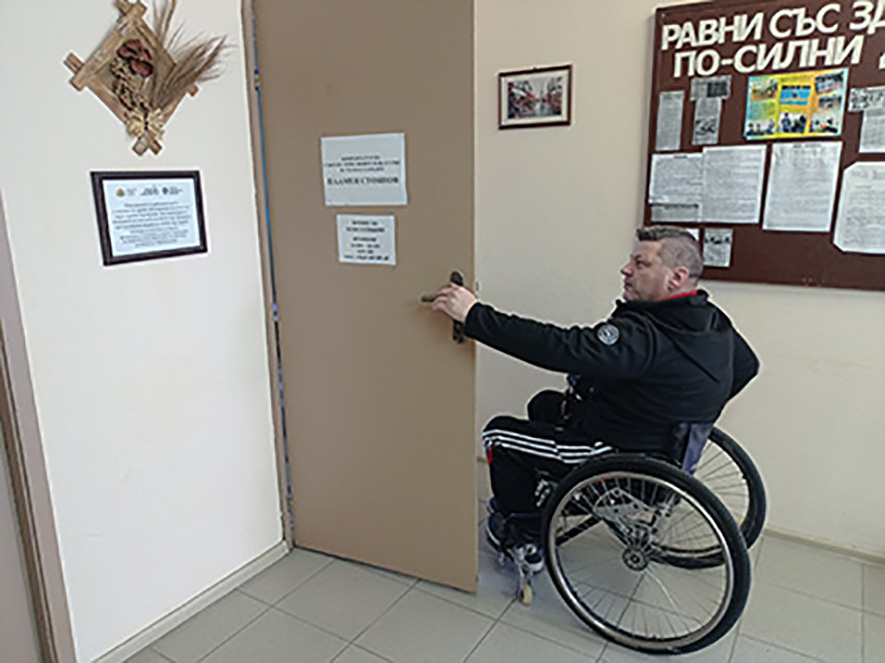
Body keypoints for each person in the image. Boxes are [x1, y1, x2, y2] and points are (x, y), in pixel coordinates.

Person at [431, 226, 759, 566]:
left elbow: (562, 347)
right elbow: (747, 366)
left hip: (618, 456)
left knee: (499, 435)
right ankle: (549, 494)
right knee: (545, 404)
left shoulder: (644, 336)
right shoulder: (710, 320)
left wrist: (474, 315)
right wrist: (682, 410)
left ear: (675, 277)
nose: (626, 269)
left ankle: (525, 533)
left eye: (641, 263)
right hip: (668, 452)